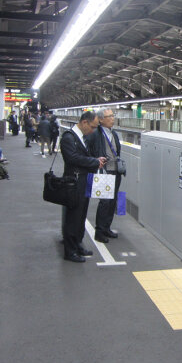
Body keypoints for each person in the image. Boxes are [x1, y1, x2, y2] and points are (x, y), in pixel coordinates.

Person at [60, 111, 107, 263]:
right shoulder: (68, 137)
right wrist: (93, 162)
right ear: (84, 122)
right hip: (73, 182)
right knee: (72, 218)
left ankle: (78, 244)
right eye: (92, 127)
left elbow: (82, 157)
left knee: (81, 216)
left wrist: (94, 159)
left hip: (83, 181)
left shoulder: (81, 137)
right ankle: (70, 251)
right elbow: (72, 158)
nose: (93, 130)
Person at [86, 108, 122, 243]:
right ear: (100, 120)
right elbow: (88, 148)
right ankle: (99, 231)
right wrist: (95, 161)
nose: (112, 118)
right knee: (105, 202)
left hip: (116, 171)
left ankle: (107, 227)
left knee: (112, 201)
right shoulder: (96, 133)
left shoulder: (114, 134)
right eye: (109, 116)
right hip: (104, 171)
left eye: (113, 116)